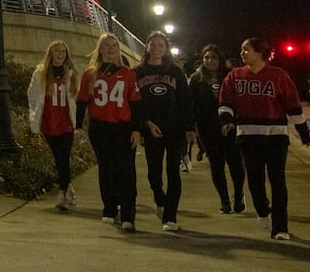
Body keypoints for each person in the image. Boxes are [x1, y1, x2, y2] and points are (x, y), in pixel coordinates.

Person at [219, 38, 310, 241]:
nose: (242, 53)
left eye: (246, 50)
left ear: (260, 52)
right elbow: (225, 101)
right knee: (255, 180)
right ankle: (262, 210)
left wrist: (303, 131)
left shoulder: (278, 76)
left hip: (275, 136)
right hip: (248, 136)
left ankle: (280, 227)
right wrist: (226, 121)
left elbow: (292, 104)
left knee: (278, 180)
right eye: (241, 50)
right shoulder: (235, 76)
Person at [76, 33, 142, 232]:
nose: (112, 49)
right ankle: (110, 208)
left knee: (126, 170)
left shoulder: (128, 73)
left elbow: (136, 103)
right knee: (106, 169)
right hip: (100, 127)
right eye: (107, 45)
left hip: (122, 127)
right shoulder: (90, 74)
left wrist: (137, 129)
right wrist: (79, 126)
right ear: (100, 49)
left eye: (115, 45)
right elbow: (82, 101)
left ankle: (128, 214)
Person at [135, 30, 194, 232]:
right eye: (154, 45)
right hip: (151, 129)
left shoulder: (175, 72)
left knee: (173, 172)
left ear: (166, 48)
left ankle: (170, 216)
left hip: (174, 128)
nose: (157, 49)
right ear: (147, 46)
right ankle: (159, 198)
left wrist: (189, 128)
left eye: (161, 45)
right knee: (154, 173)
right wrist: (145, 123)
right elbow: (134, 103)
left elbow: (185, 101)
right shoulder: (139, 72)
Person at [190, 44, 245, 213]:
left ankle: (238, 195)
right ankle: (225, 201)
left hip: (230, 126)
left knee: (235, 163)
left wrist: (233, 121)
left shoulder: (231, 76)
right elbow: (191, 105)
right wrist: (192, 128)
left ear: (220, 58)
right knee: (216, 164)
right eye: (206, 58)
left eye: (213, 57)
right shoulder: (196, 79)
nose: (210, 61)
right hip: (207, 128)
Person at [28, 39, 80, 212]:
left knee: (63, 156)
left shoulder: (71, 73)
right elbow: (32, 96)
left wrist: (79, 122)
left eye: (63, 52)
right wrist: (34, 116)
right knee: (58, 158)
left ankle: (62, 193)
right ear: (51, 54)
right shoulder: (40, 73)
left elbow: (77, 97)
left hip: (66, 122)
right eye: (57, 51)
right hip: (49, 122)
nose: (60, 54)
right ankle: (68, 186)